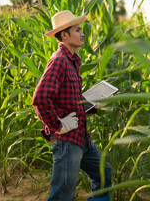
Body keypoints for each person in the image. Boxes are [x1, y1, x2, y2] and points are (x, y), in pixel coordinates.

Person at [32, 10, 112, 201]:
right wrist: (58, 126)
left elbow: (67, 100)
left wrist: (91, 105)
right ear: (65, 35)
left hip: (81, 136)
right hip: (67, 139)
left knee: (103, 174)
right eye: (78, 30)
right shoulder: (59, 61)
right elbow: (40, 98)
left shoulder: (73, 61)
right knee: (63, 194)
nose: (83, 33)